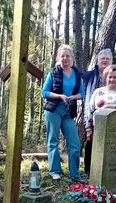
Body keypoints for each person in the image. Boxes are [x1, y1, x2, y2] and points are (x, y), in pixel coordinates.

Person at [42, 44, 85, 181]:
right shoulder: (53, 73)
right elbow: (44, 92)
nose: (65, 58)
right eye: (62, 56)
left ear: (72, 58)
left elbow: (82, 93)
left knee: (74, 143)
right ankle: (55, 171)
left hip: (68, 111)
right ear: (58, 58)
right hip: (53, 110)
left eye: (67, 56)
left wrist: (73, 97)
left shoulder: (76, 74)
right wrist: (59, 96)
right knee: (53, 141)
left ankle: (74, 174)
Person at [82, 49, 113, 176]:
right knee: (90, 143)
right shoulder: (89, 76)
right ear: (97, 61)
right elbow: (86, 101)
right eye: (102, 58)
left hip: (111, 119)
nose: (105, 60)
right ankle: (89, 172)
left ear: (111, 61)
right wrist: (88, 126)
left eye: (107, 58)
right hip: (93, 118)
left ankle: (106, 172)